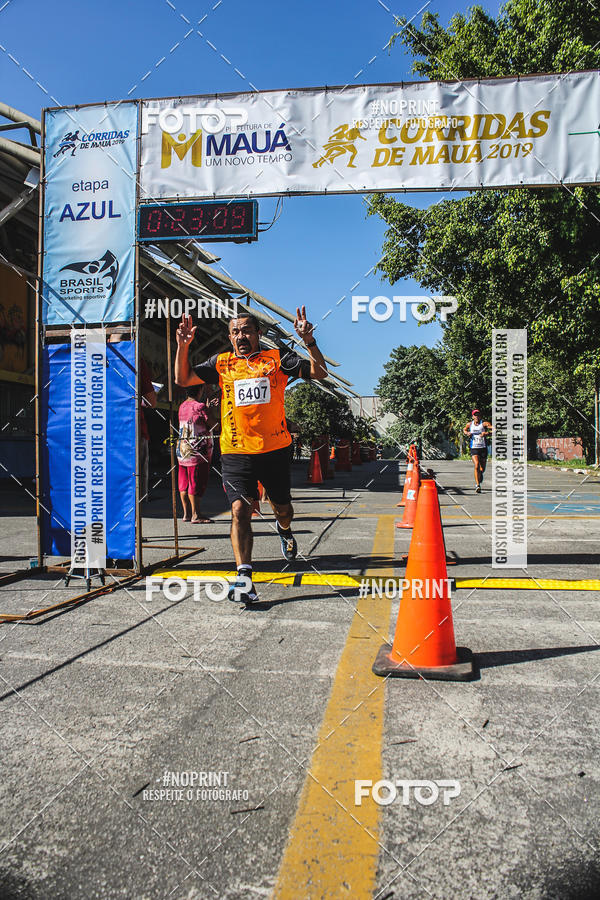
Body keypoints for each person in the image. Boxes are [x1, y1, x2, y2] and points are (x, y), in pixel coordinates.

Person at [174, 307, 327, 604]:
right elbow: (183, 379)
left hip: (275, 449)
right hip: (235, 451)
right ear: (229, 337)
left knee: (282, 508)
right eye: (235, 332)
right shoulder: (222, 363)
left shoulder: (277, 358)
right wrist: (183, 346)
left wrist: (309, 340)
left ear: (258, 334)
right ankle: (244, 577)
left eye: (246, 330)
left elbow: (318, 372)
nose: (241, 336)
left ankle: (285, 530)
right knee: (240, 511)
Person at [176, 385, 218, 523]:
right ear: (199, 391)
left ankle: (186, 514)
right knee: (196, 482)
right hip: (197, 451)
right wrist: (210, 410)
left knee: (184, 482)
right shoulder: (200, 407)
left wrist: (206, 407)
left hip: (182, 449)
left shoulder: (182, 406)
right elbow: (213, 426)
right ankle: (196, 514)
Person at [463, 409, 493, 492]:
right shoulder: (470, 424)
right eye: (475, 415)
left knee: (482, 469)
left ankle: (480, 474)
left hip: (483, 448)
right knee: (476, 465)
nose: (477, 417)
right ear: (472, 416)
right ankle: (478, 485)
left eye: (478, 415)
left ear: (480, 416)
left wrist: (486, 433)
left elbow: (494, 429)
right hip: (474, 448)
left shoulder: (484, 424)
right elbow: (464, 429)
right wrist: (467, 433)